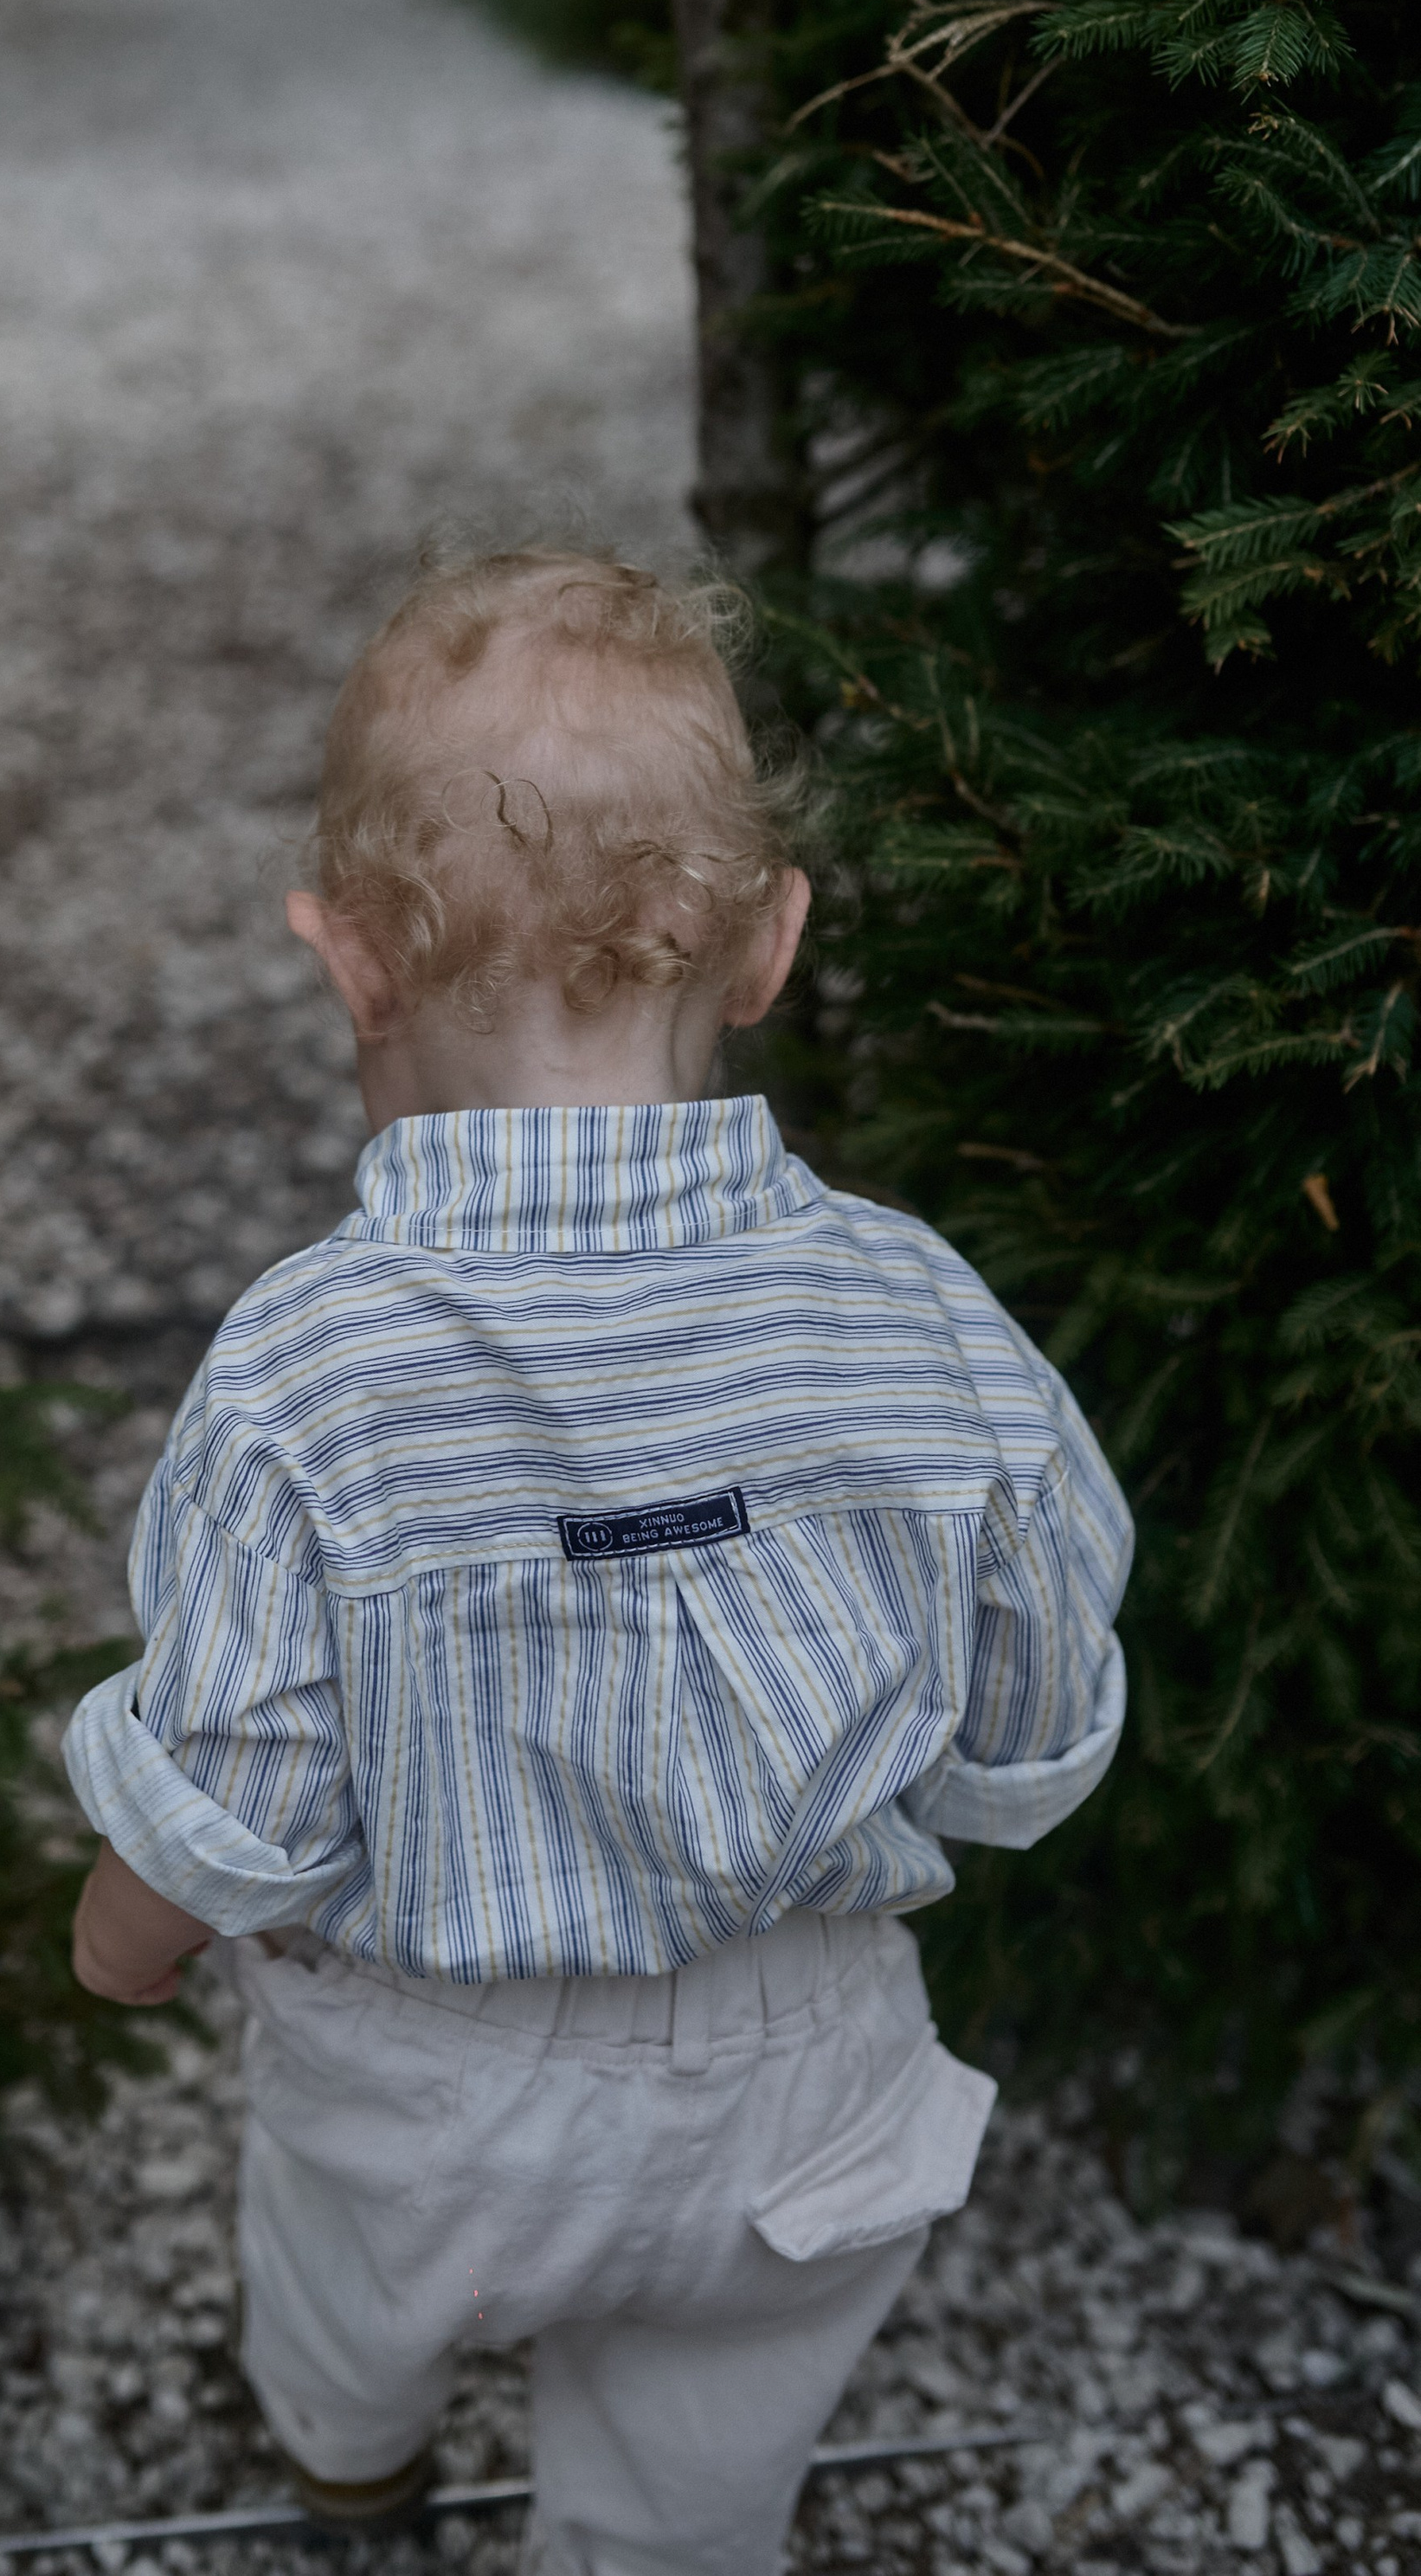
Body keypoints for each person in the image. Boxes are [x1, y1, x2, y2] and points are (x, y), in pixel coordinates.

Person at [65, 547, 1132, 2576]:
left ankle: (350, 2463)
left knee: (342, 2285)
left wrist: (113, 1944)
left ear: (343, 959)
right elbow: (1037, 1709)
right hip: (804, 2071)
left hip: (425, 2081)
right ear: (767, 947)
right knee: (704, 2448)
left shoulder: (309, 1364)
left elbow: (243, 1798)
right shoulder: (914, 1309)